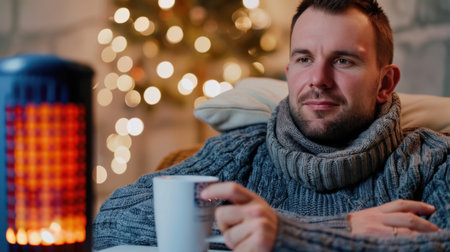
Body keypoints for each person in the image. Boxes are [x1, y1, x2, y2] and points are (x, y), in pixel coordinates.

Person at [93, 0, 450, 251]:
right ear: (290, 73)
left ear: (385, 84)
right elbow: (110, 219)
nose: (319, 79)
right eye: (305, 59)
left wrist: (285, 237)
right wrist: (334, 229)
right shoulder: (237, 153)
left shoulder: (431, 160)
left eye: (343, 60)